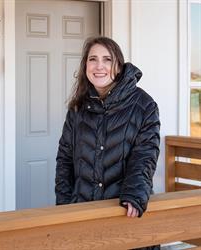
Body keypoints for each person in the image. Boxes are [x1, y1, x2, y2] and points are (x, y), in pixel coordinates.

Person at [55, 36, 160, 249]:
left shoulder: (144, 106)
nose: (99, 66)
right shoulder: (78, 108)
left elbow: (145, 156)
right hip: (83, 215)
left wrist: (133, 194)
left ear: (119, 66)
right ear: (86, 66)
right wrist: (64, 205)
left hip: (125, 212)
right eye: (93, 59)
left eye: (107, 59)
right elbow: (65, 158)